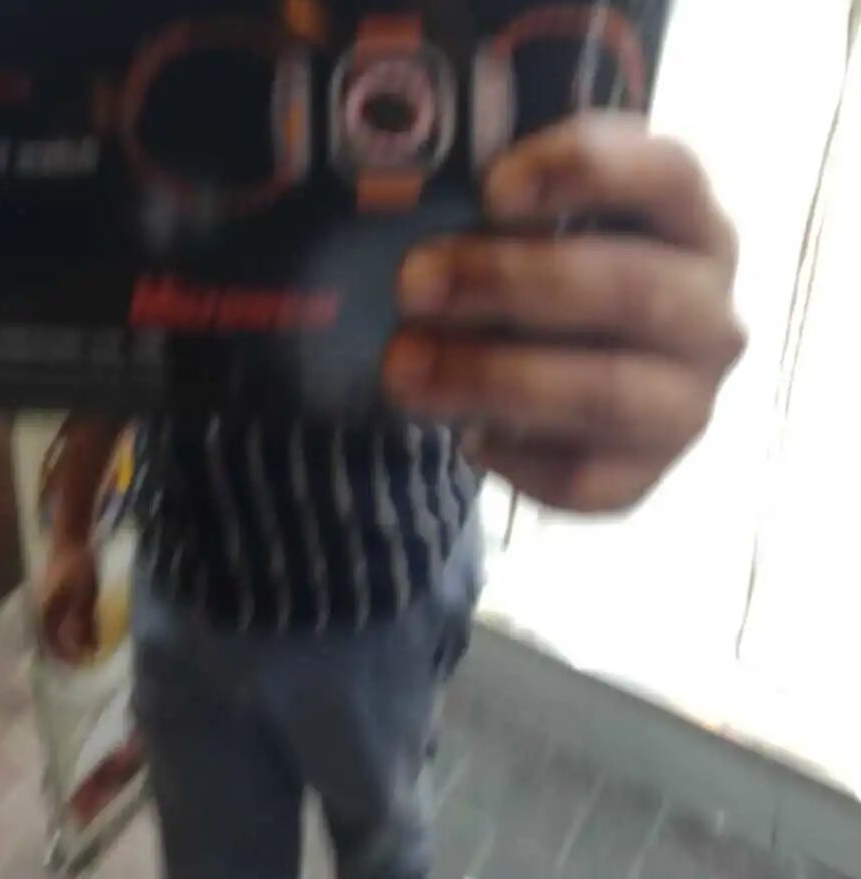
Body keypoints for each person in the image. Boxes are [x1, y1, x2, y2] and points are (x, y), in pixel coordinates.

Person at [39, 110, 744, 879]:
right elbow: (124, 342)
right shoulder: (177, 124)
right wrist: (70, 533)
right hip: (195, 600)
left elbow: (545, 284)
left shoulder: (448, 119)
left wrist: (614, 331)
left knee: (381, 841)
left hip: (377, 609)